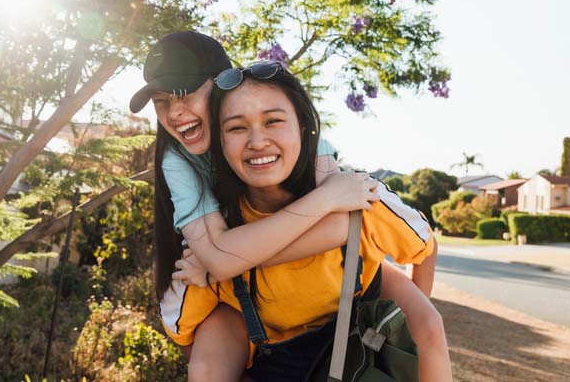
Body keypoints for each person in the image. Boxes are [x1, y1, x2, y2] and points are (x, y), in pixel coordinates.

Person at [157, 59, 453, 381]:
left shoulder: (356, 196)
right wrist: (215, 267)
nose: (257, 142)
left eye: (273, 121)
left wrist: (401, 331)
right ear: (220, 146)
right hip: (272, 352)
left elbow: (425, 247)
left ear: (302, 127)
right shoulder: (214, 236)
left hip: (356, 329)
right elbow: (180, 329)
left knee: (429, 327)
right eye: (237, 127)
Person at [130, 31, 381, 381]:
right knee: (205, 370)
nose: (174, 113)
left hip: (314, 278)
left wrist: (226, 260)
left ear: (222, 85)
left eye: (184, 93)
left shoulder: (287, 127)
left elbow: (341, 228)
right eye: (161, 102)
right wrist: (323, 200)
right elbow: (216, 261)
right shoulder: (178, 159)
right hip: (227, 298)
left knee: (420, 323)